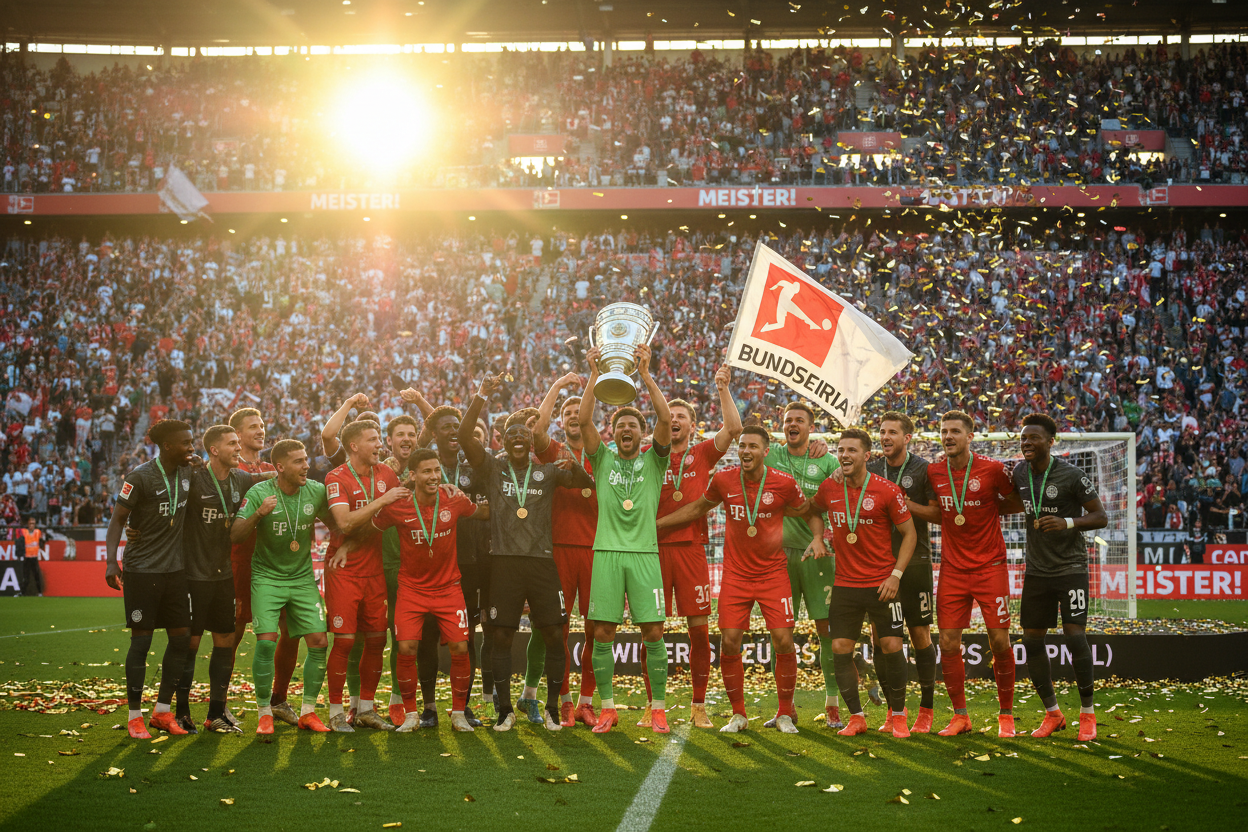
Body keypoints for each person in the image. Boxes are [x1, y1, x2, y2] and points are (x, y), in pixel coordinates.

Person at [459, 375, 594, 731]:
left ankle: (551, 708)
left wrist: (574, 467)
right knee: (500, 636)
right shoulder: (492, 467)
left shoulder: (548, 471)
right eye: (511, 436)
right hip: (503, 563)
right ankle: (504, 711)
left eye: (525, 435)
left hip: (542, 563)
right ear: (502, 441)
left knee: (554, 632)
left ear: (532, 441)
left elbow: (586, 485)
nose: (518, 440)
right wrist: (481, 395)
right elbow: (462, 436)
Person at [657, 425, 807, 733]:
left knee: (783, 639)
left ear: (766, 451)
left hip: (773, 573)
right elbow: (697, 507)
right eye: (742, 446)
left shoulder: (784, 483)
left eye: (753, 446)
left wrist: (818, 537)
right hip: (736, 575)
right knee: (729, 642)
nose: (746, 451)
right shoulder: (724, 479)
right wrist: (655, 525)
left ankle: (783, 714)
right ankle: (738, 715)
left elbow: (807, 509)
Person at [578, 341, 672, 734]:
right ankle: (608, 707)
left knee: (653, 632)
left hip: (645, 555)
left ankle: (659, 708)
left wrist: (646, 375)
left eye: (633, 426)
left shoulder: (654, 459)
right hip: (607, 554)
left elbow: (666, 420)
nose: (626, 430)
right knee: (603, 632)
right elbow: (584, 422)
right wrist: (595, 374)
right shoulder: (602, 458)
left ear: (642, 433)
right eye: (620, 427)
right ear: (613, 434)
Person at [805, 428, 917, 738]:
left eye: (851, 450)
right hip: (846, 584)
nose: (844, 455)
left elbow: (910, 534)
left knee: (892, 644)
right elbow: (813, 510)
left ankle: (897, 715)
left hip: (882, 584)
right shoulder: (830, 488)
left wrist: (896, 575)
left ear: (867, 456)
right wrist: (817, 537)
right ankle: (856, 717)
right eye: (841, 450)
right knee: (840, 648)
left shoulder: (886, 490)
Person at [367, 448, 488, 732]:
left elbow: (480, 512)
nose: (434, 476)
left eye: (436, 471)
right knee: (407, 647)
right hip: (411, 589)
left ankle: (458, 713)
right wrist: (346, 545)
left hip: (449, 588)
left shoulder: (454, 499)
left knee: (460, 647)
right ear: (413, 475)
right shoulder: (399, 506)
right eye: (426, 471)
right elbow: (370, 528)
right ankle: (411, 714)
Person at [648, 364, 742, 729]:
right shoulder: (651, 455)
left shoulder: (703, 453)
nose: (673, 420)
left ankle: (698, 704)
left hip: (690, 548)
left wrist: (721, 388)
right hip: (652, 551)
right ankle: (654, 704)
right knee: (651, 630)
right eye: (668, 416)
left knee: (699, 629)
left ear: (692, 425)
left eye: (681, 417)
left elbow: (733, 429)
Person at [926, 410, 1024, 738]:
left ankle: (1006, 715)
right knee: (949, 642)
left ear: (970, 436)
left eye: (955, 431)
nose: (948, 436)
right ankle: (960, 716)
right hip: (952, 569)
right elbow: (938, 511)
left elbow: (1014, 501)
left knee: (999, 639)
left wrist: (986, 510)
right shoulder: (934, 471)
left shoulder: (993, 469)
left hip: (990, 566)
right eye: (944, 431)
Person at [230, 439, 337, 734]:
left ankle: (308, 712)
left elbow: (338, 524)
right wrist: (259, 514)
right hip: (266, 578)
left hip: (302, 579)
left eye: (306, 460)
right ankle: (265, 712)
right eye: (299, 461)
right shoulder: (259, 492)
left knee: (319, 642)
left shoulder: (315, 492)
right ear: (280, 467)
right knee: (266, 641)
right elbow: (235, 534)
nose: (307, 466)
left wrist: (341, 548)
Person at [1015, 413, 1108, 742]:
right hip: (1036, 571)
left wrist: (1067, 522)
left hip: (1070, 569)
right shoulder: (1018, 472)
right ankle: (1053, 713)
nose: (1026, 442)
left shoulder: (1072, 475)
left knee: (1073, 636)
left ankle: (1087, 714)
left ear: (1050, 442)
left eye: (1033, 438)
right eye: (1023, 438)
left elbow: (1101, 516)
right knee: (1031, 640)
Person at [176, 425, 272, 733]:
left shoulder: (240, 479)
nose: (238, 448)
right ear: (214, 450)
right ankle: (179, 712)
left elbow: (265, 478)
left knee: (225, 642)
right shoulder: (192, 478)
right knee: (188, 645)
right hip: (192, 575)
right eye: (232, 443)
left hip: (222, 575)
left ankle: (215, 714)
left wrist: (292, 470)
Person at [104, 419, 196, 739]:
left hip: (176, 570)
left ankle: (161, 712)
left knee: (181, 638)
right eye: (186, 443)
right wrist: (111, 562)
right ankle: (134, 716)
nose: (191, 447)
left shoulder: (190, 471)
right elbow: (118, 521)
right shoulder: (139, 477)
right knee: (141, 642)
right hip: (143, 569)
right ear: (167, 446)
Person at [322, 419, 410, 732]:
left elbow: (388, 519)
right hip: (344, 571)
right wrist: (383, 500)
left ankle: (366, 710)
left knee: (377, 639)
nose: (379, 445)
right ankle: (335, 711)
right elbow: (344, 522)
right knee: (345, 640)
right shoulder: (336, 477)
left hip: (374, 568)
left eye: (378, 439)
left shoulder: (387, 473)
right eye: (372, 439)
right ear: (355, 445)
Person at [763, 401, 846, 728]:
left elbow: (838, 505)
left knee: (826, 630)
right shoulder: (772, 456)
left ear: (812, 428)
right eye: (787, 420)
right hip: (778, 558)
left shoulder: (827, 461)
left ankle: (832, 704)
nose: (792, 424)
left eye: (799, 420)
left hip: (818, 556)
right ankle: (786, 708)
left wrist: (824, 535)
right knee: (779, 633)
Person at [865, 411, 940, 733]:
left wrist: (903, 505)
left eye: (892, 432)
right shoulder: (870, 469)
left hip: (916, 563)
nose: (885, 437)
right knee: (881, 639)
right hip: (879, 565)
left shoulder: (923, 470)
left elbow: (938, 513)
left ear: (907, 438)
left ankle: (926, 710)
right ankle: (895, 711)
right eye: (882, 431)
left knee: (919, 634)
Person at [532, 375, 601, 727]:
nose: (574, 415)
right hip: (558, 550)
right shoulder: (554, 450)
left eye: (579, 410)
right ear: (561, 421)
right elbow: (535, 431)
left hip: (596, 550)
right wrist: (557, 387)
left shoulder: (602, 451)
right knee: (557, 631)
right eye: (567, 412)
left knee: (595, 629)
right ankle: (563, 699)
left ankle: (587, 702)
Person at [417, 403, 490, 728]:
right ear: (434, 434)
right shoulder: (423, 469)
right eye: (445, 426)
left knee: (466, 639)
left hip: (468, 563)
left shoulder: (473, 467)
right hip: (431, 564)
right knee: (428, 637)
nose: (452, 432)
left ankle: (463, 705)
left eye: (456, 426)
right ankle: (430, 707)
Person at [227, 407, 298, 727]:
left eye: (262, 425)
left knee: (292, 628)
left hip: (275, 561)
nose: (260, 430)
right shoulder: (230, 467)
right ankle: (220, 702)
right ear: (237, 435)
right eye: (252, 426)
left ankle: (279, 699)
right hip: (240, 559)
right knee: (233, 632)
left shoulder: (273, 466)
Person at [16, 516, 46, 597]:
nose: (31, 525)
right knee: (26, 577)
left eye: (33, 523)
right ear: (28, 524)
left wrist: (42, 542)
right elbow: (19, 542)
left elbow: (42, 541)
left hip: (34, 557)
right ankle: (22, 593)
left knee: (36, 576)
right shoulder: (24, 532)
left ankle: (40, 592)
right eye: (30, 523)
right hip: (27, 557)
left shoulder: (37, 532)